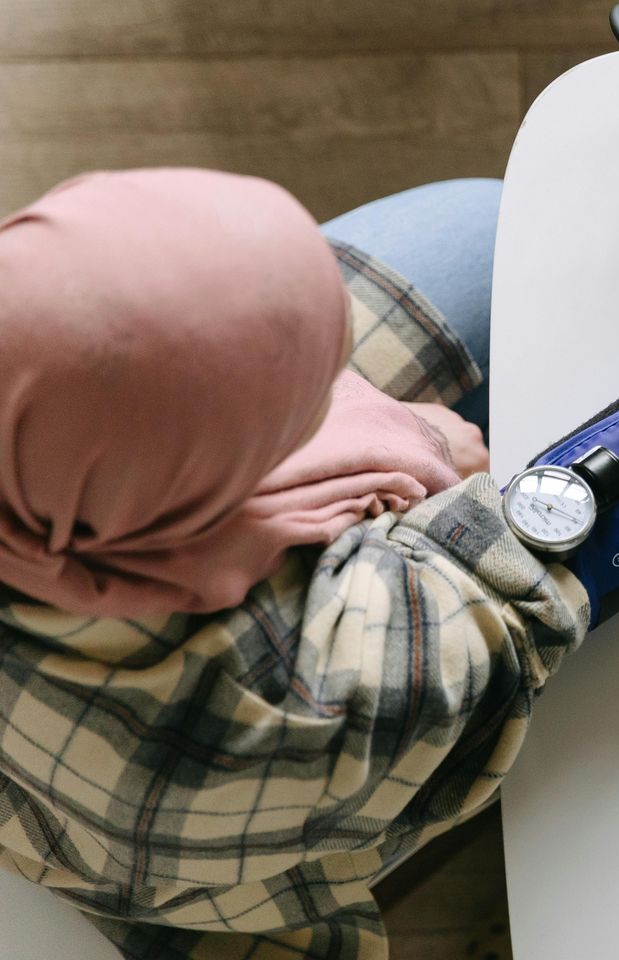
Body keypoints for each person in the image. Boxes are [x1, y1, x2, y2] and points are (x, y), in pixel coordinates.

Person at [0, 169, 587, 957]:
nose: (339, 393)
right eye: (306, 411)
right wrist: (443, 464)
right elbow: (498, 631)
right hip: (195, 846)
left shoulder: (48, 455)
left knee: (491, 221)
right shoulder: (263, 706)